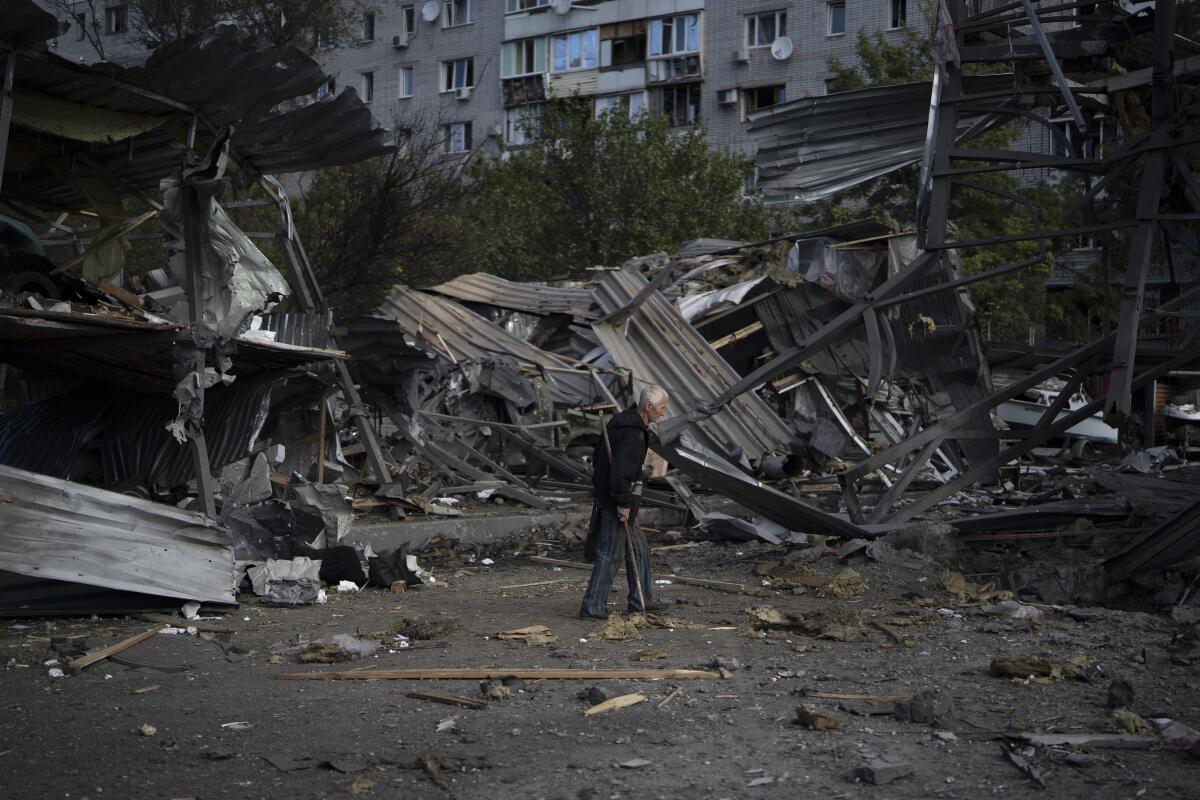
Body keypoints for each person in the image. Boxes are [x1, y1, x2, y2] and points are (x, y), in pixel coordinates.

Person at [580, 385, 671, 619]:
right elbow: (619, 472)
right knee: (610, 553)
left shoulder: (622, 424)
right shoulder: (634, 433)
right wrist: (622, 502)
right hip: (615, 500)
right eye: (661, 408)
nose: (663, 413)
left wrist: (639, 474)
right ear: (648, 406)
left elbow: (604, 459)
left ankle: (641, 600)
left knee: (639, 549)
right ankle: (592, 606)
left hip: (613, 495)